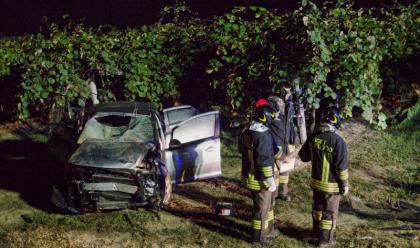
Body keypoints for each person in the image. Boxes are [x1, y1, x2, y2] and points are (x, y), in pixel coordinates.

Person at [298, 106, 349, 247]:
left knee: (318, 208)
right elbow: (341, 167)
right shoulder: (339, 142)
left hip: (315, 183)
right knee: (329, 213)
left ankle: (316, 232)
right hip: (331, 186)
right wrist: (344, 184)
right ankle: (325, 240)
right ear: (336, 121)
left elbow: (303, 156)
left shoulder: (314, 137)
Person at [241, 103, 281, 244]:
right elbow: (263, 160)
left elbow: (242, 151)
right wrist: (270, 180)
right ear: (266, 117)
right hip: (260, 180)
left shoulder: (247, 131)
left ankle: (269, 230)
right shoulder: (262, 135)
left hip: (249, 176)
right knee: (261, 210)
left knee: (267, 207)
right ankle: (259, 238)